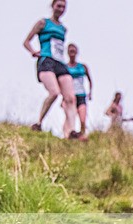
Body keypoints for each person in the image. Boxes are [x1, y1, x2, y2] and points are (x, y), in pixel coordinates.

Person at [23, 0, 78, 138]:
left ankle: (71, 131)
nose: (61, 9)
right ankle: (38, 123)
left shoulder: (64, 29)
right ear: (52, 6)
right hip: (46, 61)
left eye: (64, 7)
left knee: (71, 97)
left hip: (60, 63)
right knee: (54, 93)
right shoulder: (43, 23)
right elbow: (26, 41)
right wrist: (33, 51)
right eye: (58, 6)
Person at [66, 43, 93, 139]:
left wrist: (90, 93)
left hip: (81, 95)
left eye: (74, 51)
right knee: (69, 119)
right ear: (67, 53)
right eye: (70, 52)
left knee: (82, 119)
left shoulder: (83, 67)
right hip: (69, 96)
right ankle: (67, 137)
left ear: (77, 52)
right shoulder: (65, 67)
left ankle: (82, 136)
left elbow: (90, 80)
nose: (72, 53)